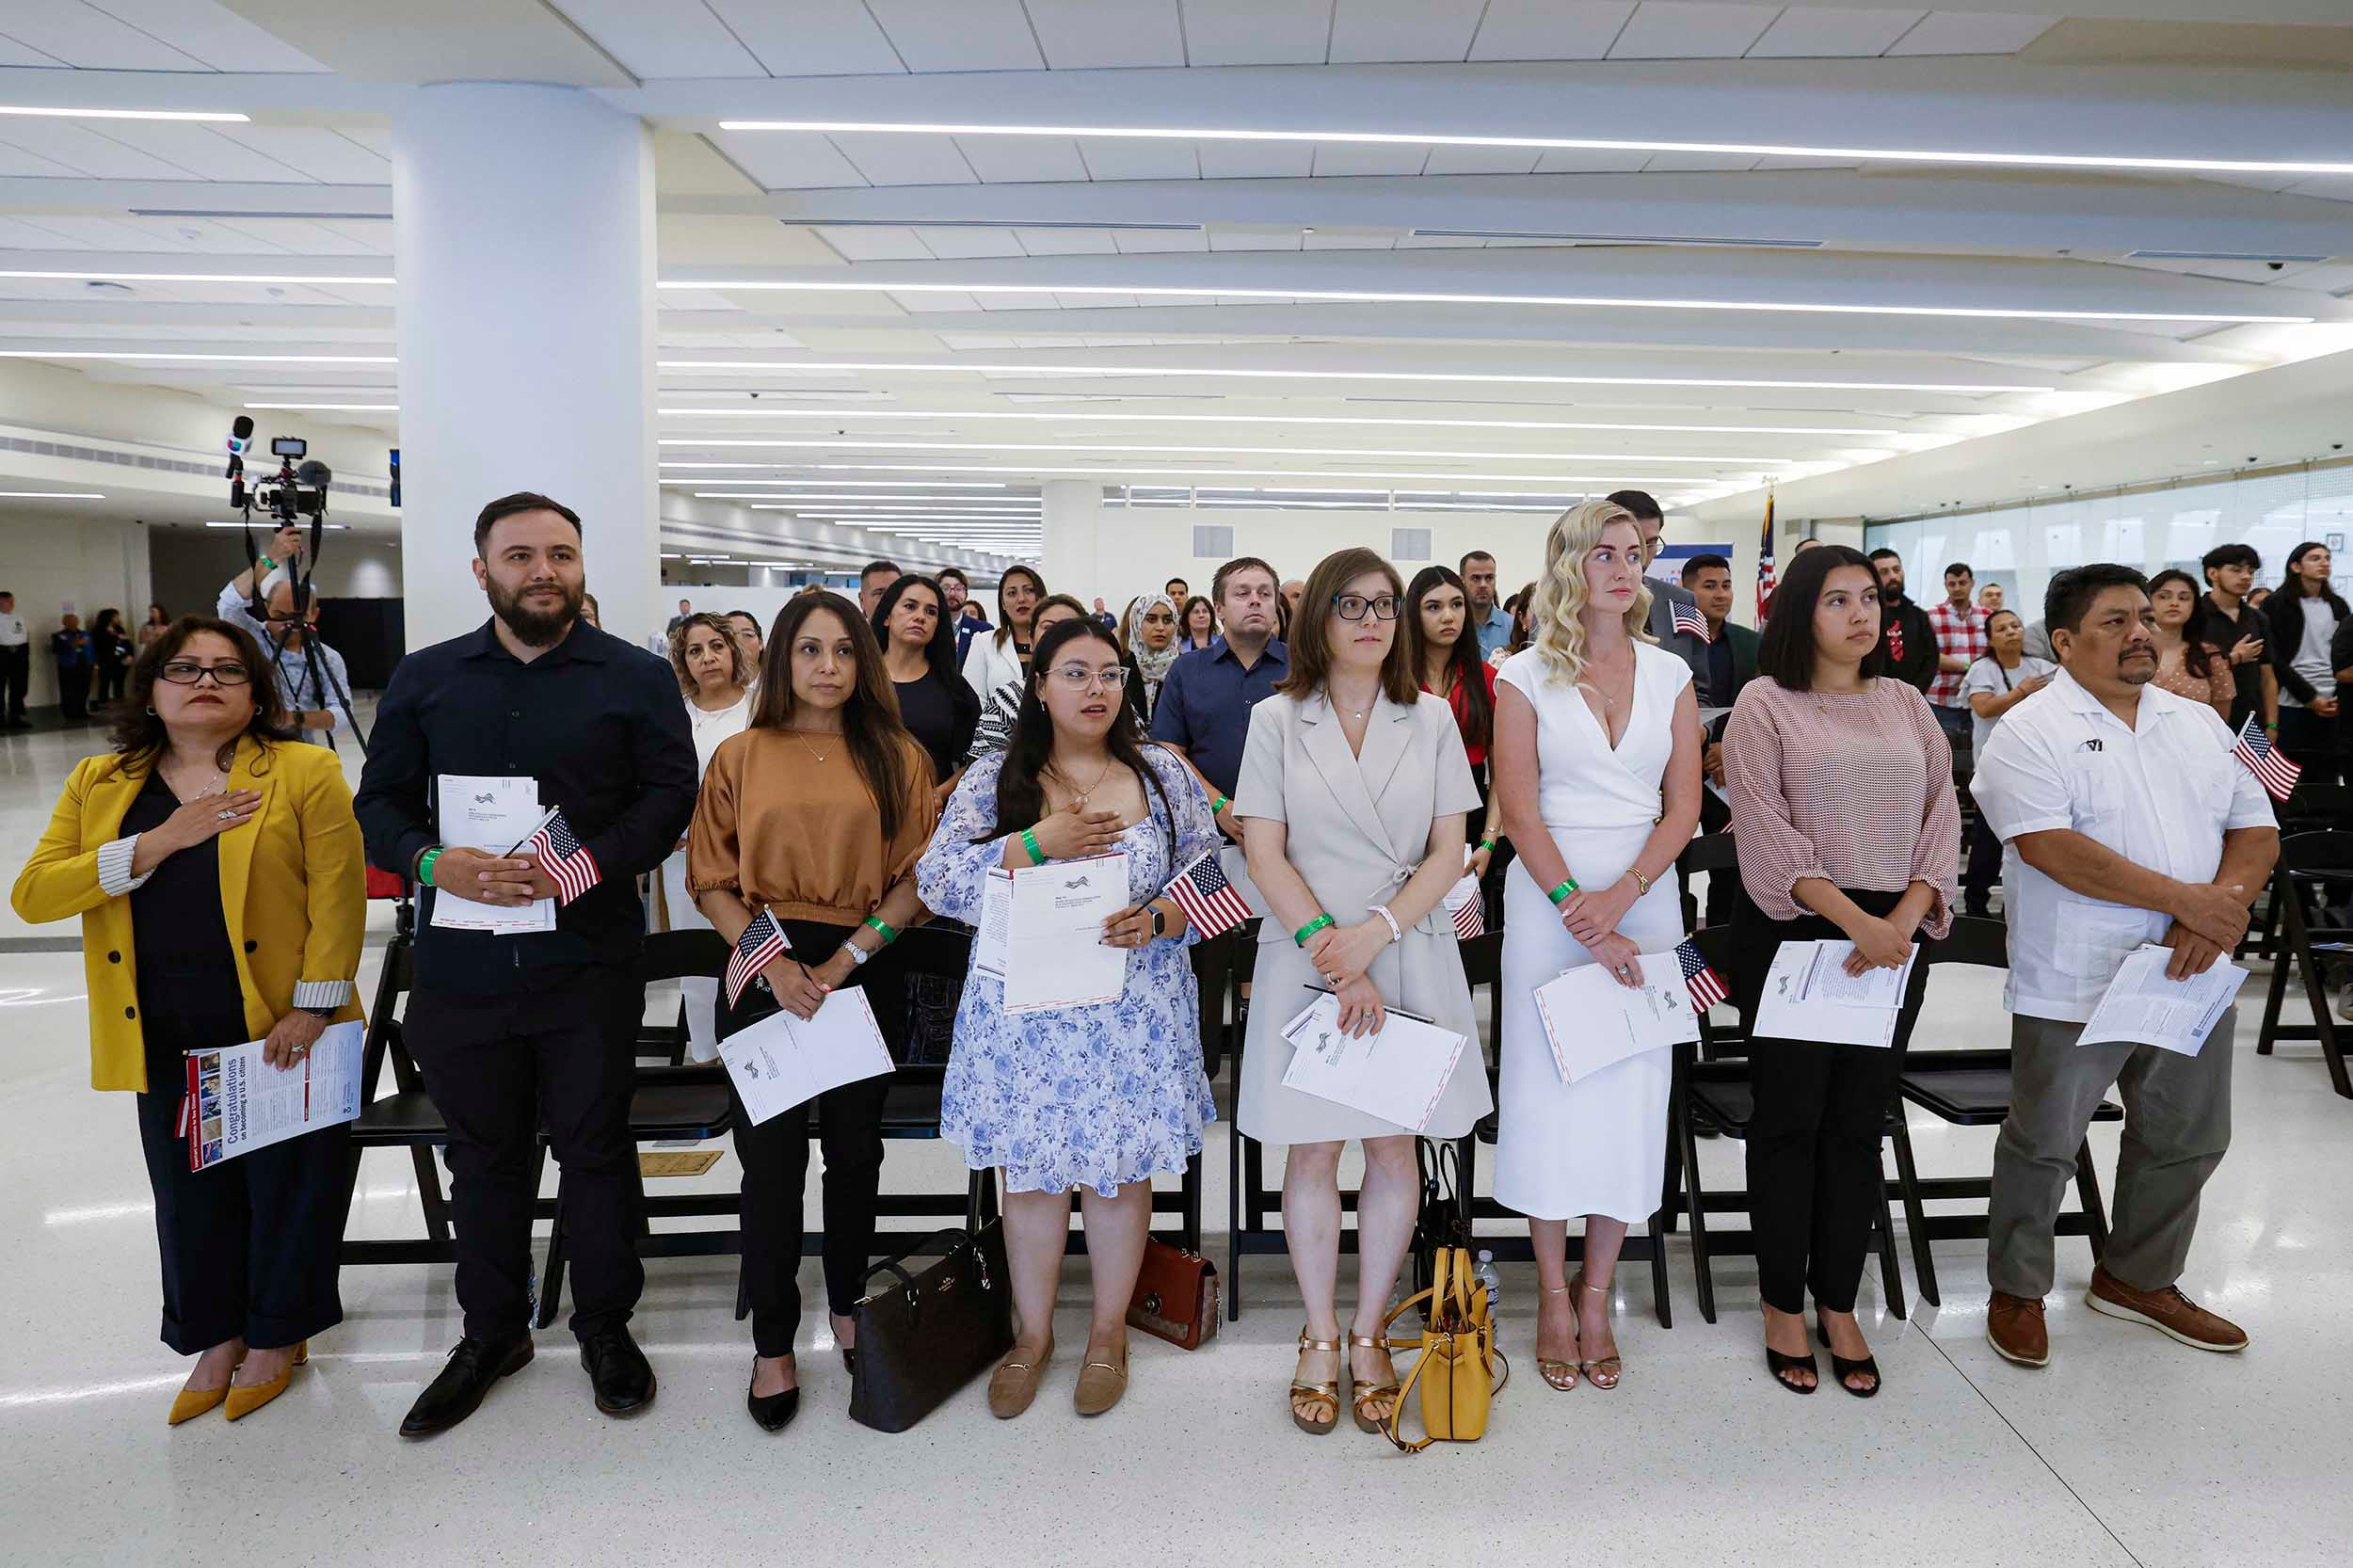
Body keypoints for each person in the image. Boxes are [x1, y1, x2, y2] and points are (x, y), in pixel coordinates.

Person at [353, 491, 696, 1438]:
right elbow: (376, 803)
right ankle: (490, 1332)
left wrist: (582, 868)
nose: (541, 569)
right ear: (482, 571)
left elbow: (671, 794)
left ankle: (604, 1324)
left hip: (586, 957)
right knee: (484, 1156)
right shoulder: (426, 679)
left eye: (559, 553)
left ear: (581, 566)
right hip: (460, 964)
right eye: (519, 555)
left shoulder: (633, 675)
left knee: (593, 1149)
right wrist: (432, 861)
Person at [12, 616, 364, 1424]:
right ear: (152, 688)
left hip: (281, 1024)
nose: (204, 681)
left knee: (292, 1185)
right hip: (163, 1024)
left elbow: (337, 897)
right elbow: (33, 895)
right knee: (189, 1191)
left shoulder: (304, 770)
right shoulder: (102, 783)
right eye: (184, 669)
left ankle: (279, 1334)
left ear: (254, 692)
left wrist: (312, 1008)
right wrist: (158, 842)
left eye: (226, 670)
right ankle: (216, 1335)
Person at [1973, 564, 2276, 1368]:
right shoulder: (2029, 732)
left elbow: (2255, 830)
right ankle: (2017, 1289)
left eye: (2144, 616)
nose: (2140, 632)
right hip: (2078, 975)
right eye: (2114, 621)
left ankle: (2138, 1278)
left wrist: (2225, 906)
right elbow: (2051, 848)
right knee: (2044, 1141)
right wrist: (2195, 902)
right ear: (2064, 642)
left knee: (2189, 1134)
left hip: (2190, 969)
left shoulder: (2197, 723)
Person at [918, 615, 1218, 1419]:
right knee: (1035, 1178)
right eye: (1076, 673)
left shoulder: (1162, 773)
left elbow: (1214, 880)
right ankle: (1034, 1333)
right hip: (1029, 1017)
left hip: (1135, 1014)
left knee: (1120, 1176)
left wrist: (1160, 919)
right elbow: (936, 882)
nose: (1096, 689)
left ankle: (1109, 1333)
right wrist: (1031, 845)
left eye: (1111, 673)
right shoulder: (996, 778)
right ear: (1040, 685)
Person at [1233, 546, 1491, 1436]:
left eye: (1386, 604)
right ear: (1318, 621)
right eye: (1352, 604)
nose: (1374, 619)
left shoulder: (1430, 719)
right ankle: (1315, 1334)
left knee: (1391, 1151)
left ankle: (1373, 1328)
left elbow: (1448, 851)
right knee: (1311, 1152)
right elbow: (1262, 849)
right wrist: (1328, 949)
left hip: (1405, 946)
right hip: (1307, 950)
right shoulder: (1276, 719)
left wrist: (1373, 937)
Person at [686, 590, 936, 1432]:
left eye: (842, 651)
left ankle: (848, 1307)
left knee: (857, 1156)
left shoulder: (896, 755)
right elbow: (712, 880)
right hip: (764, 969)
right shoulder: (741, 755)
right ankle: (772, 1341)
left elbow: (916, 884)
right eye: (809, 651)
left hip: (860, 968)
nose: (827, 668)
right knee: (770, 1166)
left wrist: (839, 962)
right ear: (781, 660)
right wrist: (777, 967)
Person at [1722, 542, 1961, 1396]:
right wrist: (1858, 919)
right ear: (1798, 614)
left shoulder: (1905, 702)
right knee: (1790, 1119)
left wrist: (1899, 919)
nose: (1862, 615)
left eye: (1870, 599)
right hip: (1798, 931)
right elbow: (1763, 826)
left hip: (1895, 938)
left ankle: (1838, 1299)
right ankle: (1782, 1299)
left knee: (1860, 1120)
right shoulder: (1764, 704)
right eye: (1837, 601)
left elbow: (1944, 814)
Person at [1491, 502, 1704, 1393]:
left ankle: (1597, 1289)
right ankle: (1546, 1291)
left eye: (1635, 554)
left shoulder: (1669, 674)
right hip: (1550, 903)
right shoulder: (1521, 674)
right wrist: (1581, 905)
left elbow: (1685, 805)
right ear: (1569, 566)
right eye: (1603, 554)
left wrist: (1622, 897)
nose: (1624, 568)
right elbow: (1519, 804)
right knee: (1549, 1093)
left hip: (1646, 900)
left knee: (1628, 1093)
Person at [656, 614, 756, 1062]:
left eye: (716, 645)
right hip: (687, 858)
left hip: (752, 856)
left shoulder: (760, 708)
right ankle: (707, 1056)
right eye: (695, 651)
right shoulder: (671, 715)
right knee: (695, 962)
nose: (707, 658)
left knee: (753, 954)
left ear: (732, 651)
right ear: (683, 661)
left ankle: (759, 1053)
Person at [1958, 609, 2056, 918]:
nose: (2012, 631)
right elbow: (1984, 708)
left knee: (2033, 834)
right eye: (2003, 628)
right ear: (1990, 638)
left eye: (2016, 625)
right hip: (1995, 767)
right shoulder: (1983, 669)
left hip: (2038, 766)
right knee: (1988, 838)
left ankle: (2023, 903)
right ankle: (1975, 901)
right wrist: (2021, 692)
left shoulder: (2042, 667)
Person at [1404, 566, 1501, 875]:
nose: (1449, 616)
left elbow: (1502, 774)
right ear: (1413, 614)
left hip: (1471, 821)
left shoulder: (1488, 679)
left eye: (1457, 604)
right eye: (1434, 606)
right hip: (1406, 819)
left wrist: (1488, 842)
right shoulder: (1394, 681)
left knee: (1466, 920)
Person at [217, 535, 352, 749]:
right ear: (266, 609)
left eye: (298, 617)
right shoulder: (250, 637)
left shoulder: (327, 657)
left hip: (299, 748)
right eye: (280, 614)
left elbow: (343, 714)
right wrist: (272, 558)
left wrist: (293, 718)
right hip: (244, 746)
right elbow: (228, 604)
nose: (288, 624)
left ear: (314, 614)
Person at [872, 573, 981, 793]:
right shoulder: (859, 680)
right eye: (910, 606)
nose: (920, 617)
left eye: (930, 612)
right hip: (862, 808)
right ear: (887, 617)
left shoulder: (955, 689)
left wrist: (940, 794)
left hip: (930, 812)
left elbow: (977, 759)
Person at [968, 595, 1088, 763]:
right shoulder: (1007, 700)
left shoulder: (1104, 693)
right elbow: (980, 770)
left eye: (1070, 629)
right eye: (1049, 628)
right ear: (1031, 640)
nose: (1059, 636)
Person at [2265, 540, 2344, 785]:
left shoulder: (2337, 605)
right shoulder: (2276, 604)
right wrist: (2310, 697)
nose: (2324, 563)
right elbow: (2274, 659)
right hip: (2291, 702)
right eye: (2315, 558)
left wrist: (2337, 696)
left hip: (2333, 700)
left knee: (2328, 776)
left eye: (2327, 558)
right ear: (2296, 566)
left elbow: (2344, 655)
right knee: (2288, 780)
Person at [2197, 542, 2272, 736]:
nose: (2246, 576)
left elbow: (2268, 676)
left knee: (2257, 767)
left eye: (2251, 571)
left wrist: (2272, 725)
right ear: (2213, 573)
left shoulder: (2258, 618)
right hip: (2204, 718)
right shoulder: (2194, 615)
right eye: (2236, 570)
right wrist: (2233, 658)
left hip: (2252, 720)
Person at [2147, 568, 2231, 721]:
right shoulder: (2132, 652)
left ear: (2194, 606)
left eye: (2184, 598)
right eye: (2163, 597)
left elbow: (2221, 718)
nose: (2174, 603)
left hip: (2199, 741)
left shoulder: (2211, 655)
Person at [1926, 561, 1987, 753]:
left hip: (1979, 701)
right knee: (1941, 759)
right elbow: (1930, 656)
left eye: (1962, 582)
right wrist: (1969, 669)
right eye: (1952, 584)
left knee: (1978, 758)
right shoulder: (1931, 616)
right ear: (1946, 585)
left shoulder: (1988, 616)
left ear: (1972, 583)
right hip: (1941, 701)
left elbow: (1994, 656)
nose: (1958, 588)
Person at [1865, 548, 1941, 694]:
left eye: (1896, 569)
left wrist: (1914, 693)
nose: (1893, 576)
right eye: (1884, 572)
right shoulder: (1865, 616)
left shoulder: (1919, 616)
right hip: (1872, 696)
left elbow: (1931, 659)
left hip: (1913, 697)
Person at [961, 564, 1043, 699]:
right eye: (1012, 593)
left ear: (1040, 597)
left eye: (1029, 590)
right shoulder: (984, 642)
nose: (1021, 599)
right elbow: (972, 701)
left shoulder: (1056, 641)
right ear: (1003, 604)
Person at [1122, 591, 1182, 720]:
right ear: (1136, 623)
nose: (1160, 627)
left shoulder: (1188, 671)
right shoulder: (1120, 671)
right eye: (1151, 619)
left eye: (1167, 620)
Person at [1460, 551, 1513, 656]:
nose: (1483, 585)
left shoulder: (1512, 626)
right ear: (1462, 581)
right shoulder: (1455, 625)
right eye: (1475, 578)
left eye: (1489, 578)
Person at [51, 611, 91, 721]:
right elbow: (56, 649)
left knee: (84, 689)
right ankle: (69, 713)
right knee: (68, 690)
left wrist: (94, 664)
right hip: (67, 667)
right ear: (64, 622)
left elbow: (92, 650)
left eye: (75, 620)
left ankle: (82, 710)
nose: (73, 622)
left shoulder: (85, 634)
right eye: (70, 620)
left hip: (84, 665)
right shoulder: (59, 636)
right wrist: (75, 644)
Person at [89, 607, 133, 710]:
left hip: (121, 659)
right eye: (116, 616)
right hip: (106, 660)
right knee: (105, 682)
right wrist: (116, 637)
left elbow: (127, 642)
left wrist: (130, 655)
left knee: (119, 682)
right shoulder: (98, 630)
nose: (118, 618)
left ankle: (120, 702)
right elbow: (102, 646)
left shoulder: (119, 628)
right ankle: (103, 703)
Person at [938, 567, 983, 662]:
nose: (952, 594)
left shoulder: (983, 630)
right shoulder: (927, 626)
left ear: (966, 594)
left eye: (958, 588)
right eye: (946, 588)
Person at [1, 589, 29, 727]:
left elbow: (23, 635)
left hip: (19, 652)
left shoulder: (18, 617)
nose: (12, 604)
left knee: (19, 686)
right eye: (8, 601)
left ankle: (15, 717)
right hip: (1, 652)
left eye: (12, 601)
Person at [728, 609, 765, 673]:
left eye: (747, 634)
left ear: (760, 643)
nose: (738, 642)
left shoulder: (778, 680)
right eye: (730, 636)